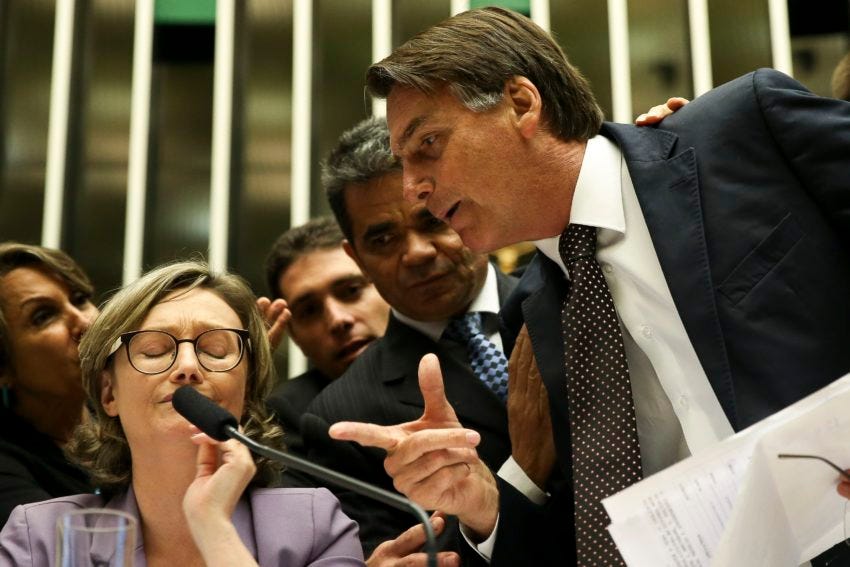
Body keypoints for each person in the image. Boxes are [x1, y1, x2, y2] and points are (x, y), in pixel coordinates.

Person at [327, 6, 850, 566]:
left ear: (522, 104)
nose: (413, 190)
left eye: (428, 144)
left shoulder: (744, 130)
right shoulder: (532, 315)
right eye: (403, 163)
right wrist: (486, 505)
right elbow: (597, 536)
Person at [0, 261, 364, 565]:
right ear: (109, 393)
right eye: (155, 350)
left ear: (247, 389)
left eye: (217, 350)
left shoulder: (317, 526)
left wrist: (214, 528)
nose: (188, 367)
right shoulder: (41, 539)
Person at [300, 116, 519, 563]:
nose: (416, 252)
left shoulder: (574, 297)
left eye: (434, 219)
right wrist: (486, 518)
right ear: (355, 256)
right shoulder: (342, 418)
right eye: (383, 238)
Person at [261, 217, 390, 454]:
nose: (337, 320)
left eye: (351, 291)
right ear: (294, 336)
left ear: (386, 286)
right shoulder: (284, 418)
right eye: (309, 310)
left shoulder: (462, 350)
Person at [0, 242, 98, 525]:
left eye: (79, 299)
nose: (83, 322)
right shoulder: (7, 466)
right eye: (44, 316)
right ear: (3, 367)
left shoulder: (128, 414)